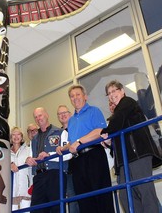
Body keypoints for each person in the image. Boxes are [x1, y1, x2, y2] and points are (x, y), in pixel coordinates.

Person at [100, 80, 162, 213]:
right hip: (124, 160)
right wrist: (109, 142)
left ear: (122, 91)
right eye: (109, 93)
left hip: (138, 154)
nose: (112, 95)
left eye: (114, 91)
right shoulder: (115, 117)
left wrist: (106, 132)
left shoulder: (127, 102)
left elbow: (119, 119)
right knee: (125, 195)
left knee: (145, 191)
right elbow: (117, 134)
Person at [58, 84, 115, 213]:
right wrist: (63, 148)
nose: (75, 98)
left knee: (102, 198)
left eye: (78, 94)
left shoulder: (94, 111)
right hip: (78, 162)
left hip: (94, 156)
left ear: (85, 96)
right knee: (84, 201)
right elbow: (72, 142)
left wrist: (79, 142)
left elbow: (99, 131)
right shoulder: (71, 120)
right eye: (72, 96)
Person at [25, 107, 71, 213]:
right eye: (35, 117)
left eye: (40, 115)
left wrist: (49, 155)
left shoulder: (61, 132)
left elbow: (68, 155)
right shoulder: (34, 139)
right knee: (36, 210)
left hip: (55, 175)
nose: (38, 118)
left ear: (47, 115)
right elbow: (32, 156)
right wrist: (28, 159)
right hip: (38, 178)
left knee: (56, 209)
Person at [56, 105, 79, 213]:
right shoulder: (57, 135)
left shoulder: (78, 127)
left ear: (70, 114)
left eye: (65, 112)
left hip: (80, 165)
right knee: (72, 198)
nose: (63, 115)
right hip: (67, 170)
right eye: (60, 114)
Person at [10, 126, 32, 212]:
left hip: (26, 189)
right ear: (11, 138)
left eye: (18, 134)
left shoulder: (29, 150)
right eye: (13, 135)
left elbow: (33, 166)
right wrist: (10, 164)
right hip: (12, 190)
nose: (16, 137)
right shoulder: (6, 152)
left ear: (22, 136)